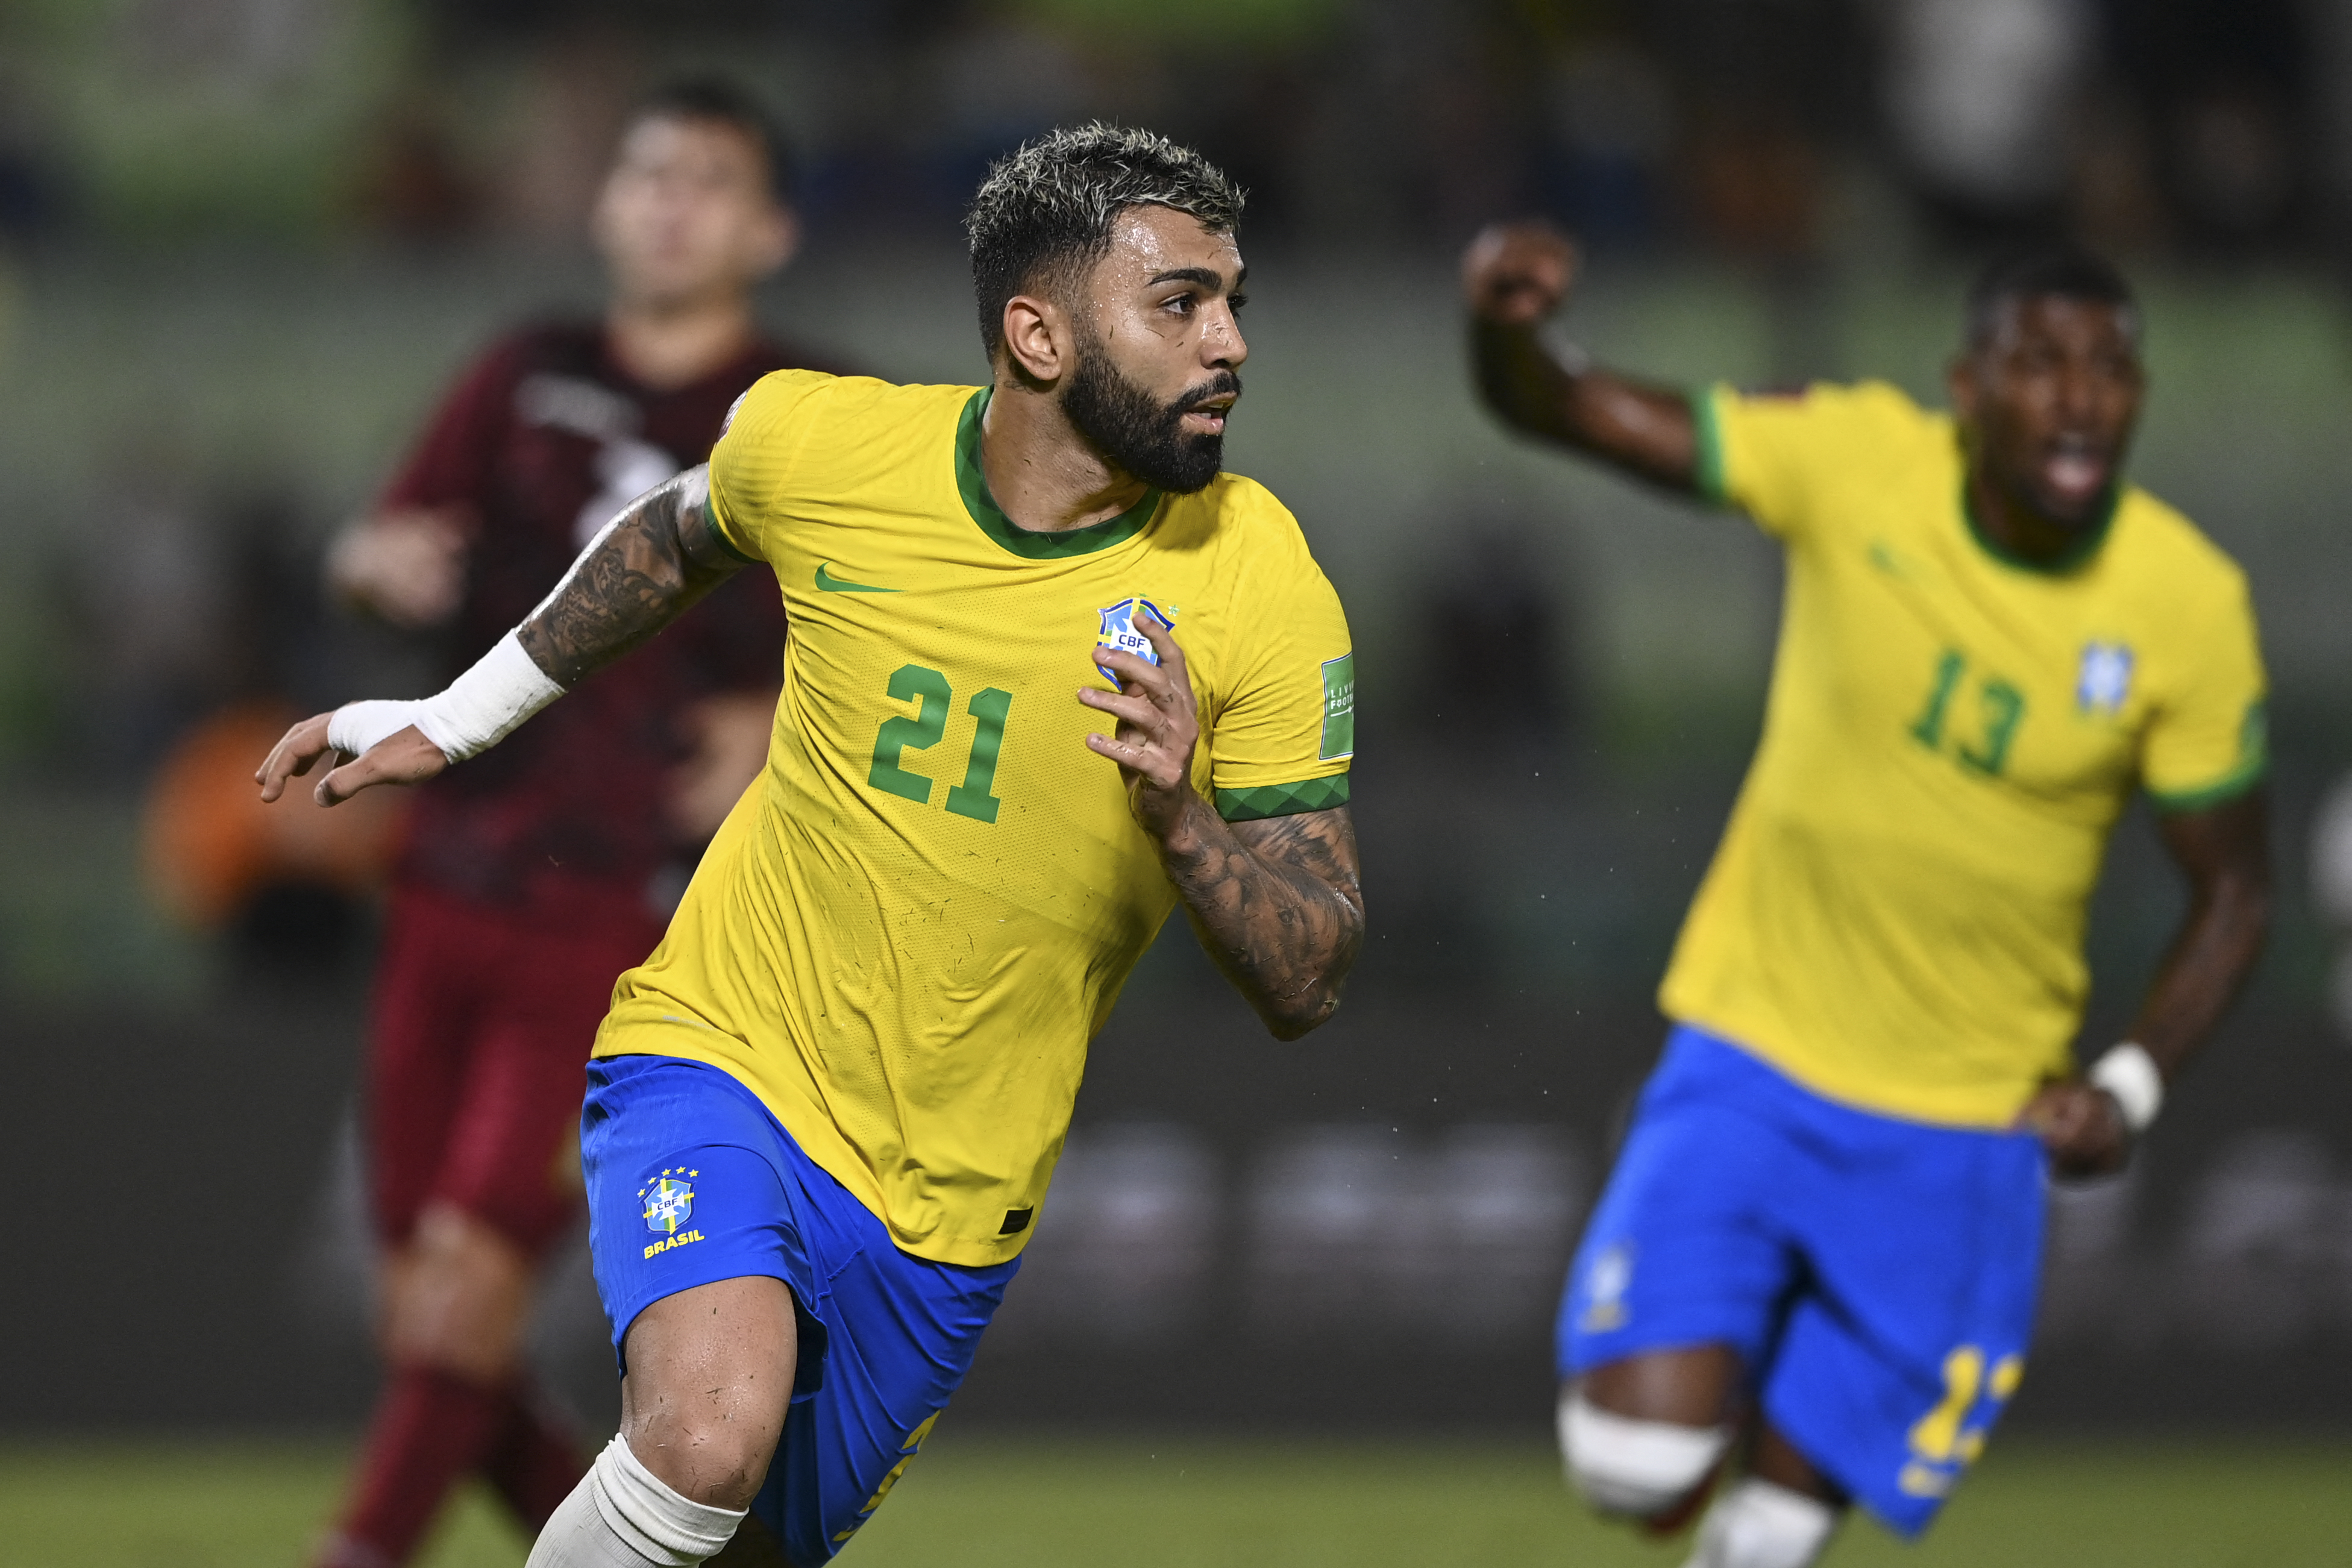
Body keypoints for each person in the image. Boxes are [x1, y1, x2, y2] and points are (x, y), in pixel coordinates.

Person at [260, 123, 1363, 1567]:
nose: (1223, 342)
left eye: (1231, 304)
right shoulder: (824, 442)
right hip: (722, 1051)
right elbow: (670, 534)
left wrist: (1182, 816)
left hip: (950, 1199)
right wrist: (458, 717)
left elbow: (1310, 972)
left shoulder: (1261, 581)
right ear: (1035, 334)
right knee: (705, 1431)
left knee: (727, 1540)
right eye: (1177, 303)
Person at [1464, 226, 2270, 1568]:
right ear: (1965, 386)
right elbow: (1564, 407)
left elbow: (2234, 895)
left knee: (1770, 1540)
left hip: (1967, 1118)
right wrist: (1503, 329)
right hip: (1757, 1045)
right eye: (2038, 362)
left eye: (2109, 369)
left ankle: (1780, 1447)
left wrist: (2127, 1085)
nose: (2077, 396)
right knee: (1629, 1460)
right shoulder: (1856, 461)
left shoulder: (2184, 603)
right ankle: (1758, 1344)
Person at [307, 79, 831, 1568]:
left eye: (709, 181)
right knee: (425, 1304)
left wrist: (778, 715)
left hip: (624, 916)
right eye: (648, 174)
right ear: (606, 207)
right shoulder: (518, 371)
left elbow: (895, 643)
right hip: (449, 875)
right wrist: (376, 566)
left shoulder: (803, 417)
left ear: (770, 228)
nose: (669, 202)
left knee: (465, 1276)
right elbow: (382, 540)